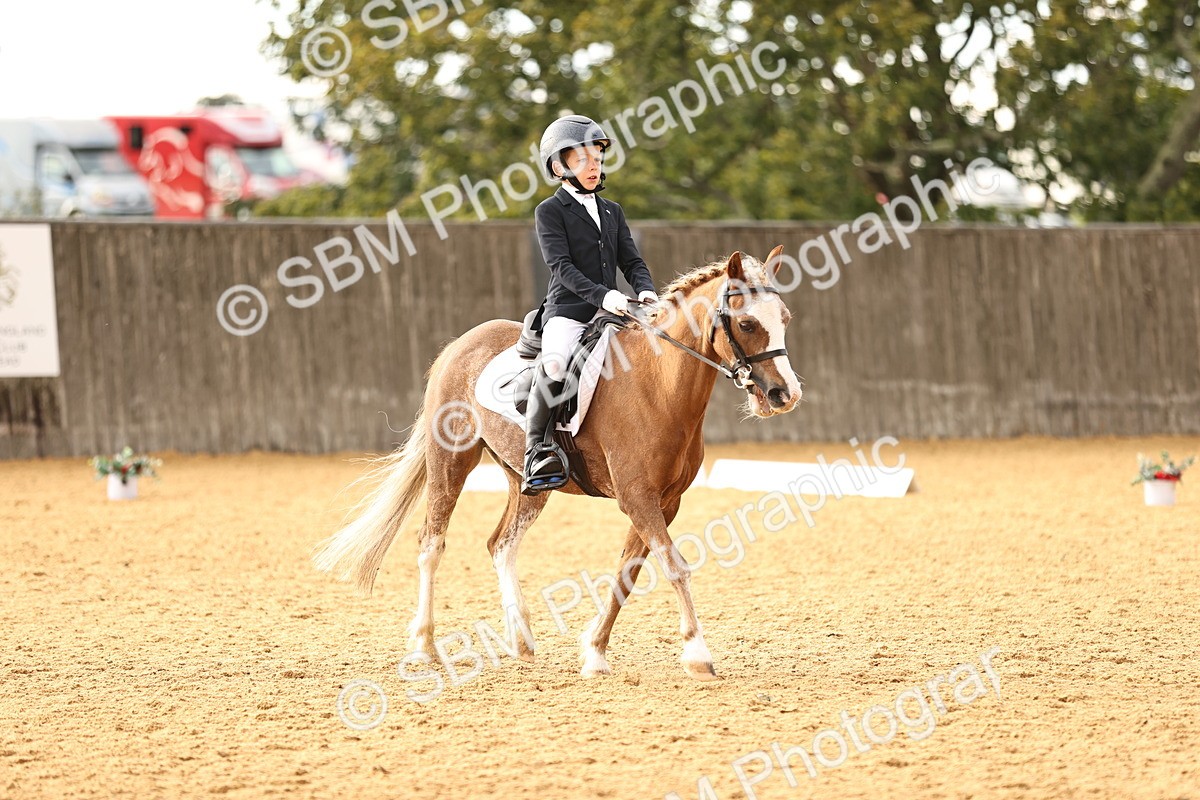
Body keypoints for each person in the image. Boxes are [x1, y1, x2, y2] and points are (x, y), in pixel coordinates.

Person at [520, 115, 658, 495]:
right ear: (558, 167)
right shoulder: (549, 211)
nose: (594, 166)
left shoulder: (613, 210)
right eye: (583, 160)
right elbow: (561, 267)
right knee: (555, 363)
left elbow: (632, 262)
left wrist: (646, 290)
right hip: (568, 311)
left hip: (613, 310)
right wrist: (603, 295)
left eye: (597, 158)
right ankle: (536, 451)